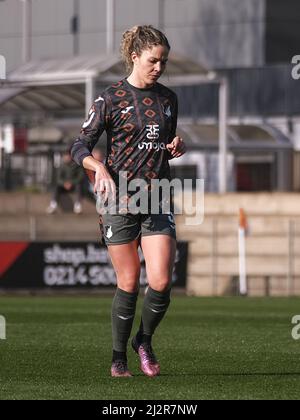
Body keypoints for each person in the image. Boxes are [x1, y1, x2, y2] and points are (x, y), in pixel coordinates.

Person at [71, 25, 186, 377]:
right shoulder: (110, 98)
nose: (159, 67)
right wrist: (98, 168)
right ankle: (118, 357)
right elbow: (78, 146)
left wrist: (175, 147)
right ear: (135, 56)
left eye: (163, 61)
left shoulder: (168, 99)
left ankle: (144, 341)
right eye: (153, 60)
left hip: (157, 195)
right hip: (119, 199)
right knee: (128, 280)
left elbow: (163, 145)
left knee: (162, 282)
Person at [47, 150, 84, 214]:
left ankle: (78, 206)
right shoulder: (61, 166)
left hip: (73, 186)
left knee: (79, 187)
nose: (66, 158)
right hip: (63, 186)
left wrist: (71, 183)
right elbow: (58, 178)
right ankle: (53, 205)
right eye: (65, 156)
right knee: (56, 187)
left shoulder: (77, 166)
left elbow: (80, 177)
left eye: (67, 156)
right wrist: (64, 183)